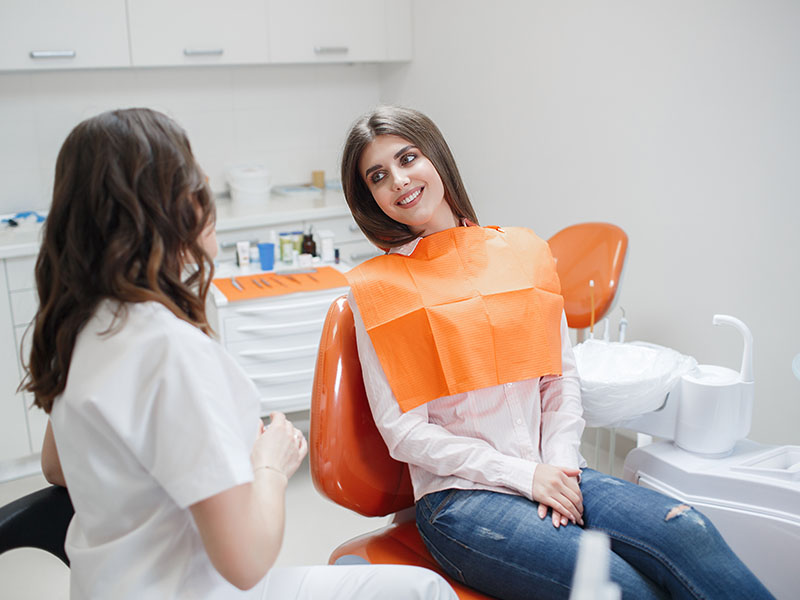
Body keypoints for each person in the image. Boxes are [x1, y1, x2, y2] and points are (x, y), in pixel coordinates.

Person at [340, 105, 774, 600]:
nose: (398, 180)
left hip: (559, 467)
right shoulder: (379, 291)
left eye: (407, 157)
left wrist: (561, 464)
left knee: (688, 532)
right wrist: (526, 476)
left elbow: (559, 379)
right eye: (378, 176)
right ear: (370, 199)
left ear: (435, 156)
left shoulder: (523, 253)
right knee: (621, 587)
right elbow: (404, 432)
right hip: (462, 499)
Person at [23, 108, 456, 600]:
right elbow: (247, 563)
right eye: (194, 178)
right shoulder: (171, 351)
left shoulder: (81, 326)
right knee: (425, 589)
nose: (207, 188)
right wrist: (270, 464)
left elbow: (58, 469)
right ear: (169, 209)